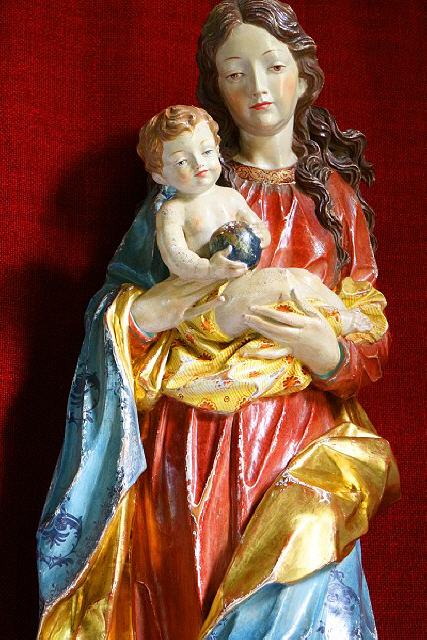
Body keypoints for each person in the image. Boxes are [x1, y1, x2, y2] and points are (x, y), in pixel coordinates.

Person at [37, 2, 399, 639]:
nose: (258, 87)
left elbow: (369, 331)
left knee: (300, 572)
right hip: (194, 451)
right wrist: (153, 311)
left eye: (274, 66)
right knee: (195, 604)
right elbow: (117, 313)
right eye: (236, 73)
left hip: (300, 442)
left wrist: (330, 352)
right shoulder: (187, 191)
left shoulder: (335, 203)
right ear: (216, 90)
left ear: (304, 76)